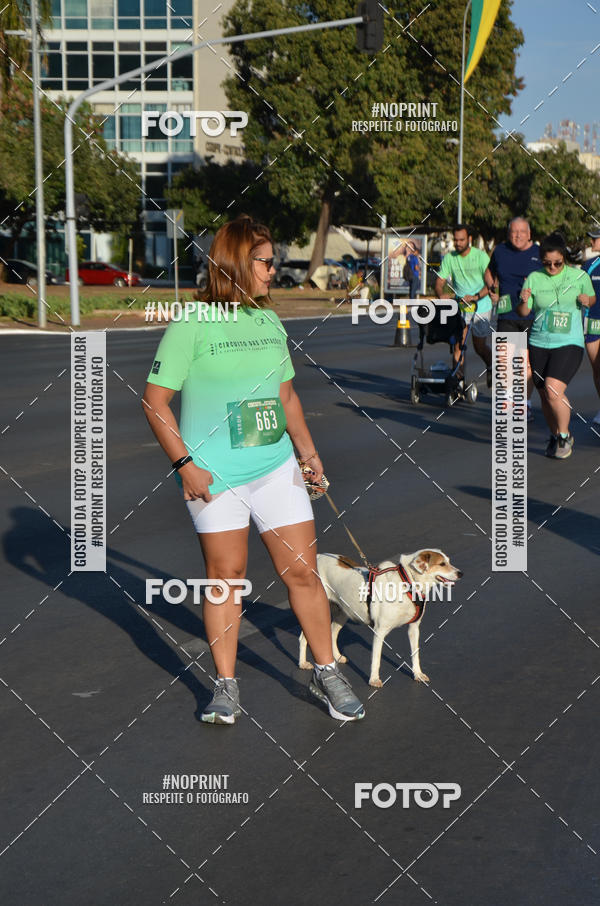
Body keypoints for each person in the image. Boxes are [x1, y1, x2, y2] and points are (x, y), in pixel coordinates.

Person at [142, 215, 365, 724]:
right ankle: (225, 687)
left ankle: (326, 670)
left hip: (274, 468)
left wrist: (308, 455)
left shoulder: (268, 321)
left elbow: (285, 396)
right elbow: (155, 402)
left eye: (274, 262)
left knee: (303, 573)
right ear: (240, 262)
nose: (273, 270)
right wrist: (185, 466)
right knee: (226, 579)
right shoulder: (192, 324)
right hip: (215, 476)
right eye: (267, 262)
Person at [518, 232, 595, 459]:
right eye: (547, 263)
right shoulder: (534, 277)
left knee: (553, 389)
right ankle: (554, 435)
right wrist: (523, 301)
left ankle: (564, 436)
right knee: (544, 395)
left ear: (565, 258)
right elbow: (524, 312)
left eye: (557, 263)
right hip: (539, 341)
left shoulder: (579, 277)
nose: (552, 267)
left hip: (569, 341)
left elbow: (592, 299)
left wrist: (586, 301)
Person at [484, 217, 542, 420]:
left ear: (529, 234)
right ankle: (508, 400)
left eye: (522, 232)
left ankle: (524, 403)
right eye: (514, 232)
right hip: (507, 313)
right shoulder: (500, 250)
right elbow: (488, 272)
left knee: (526, 364)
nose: (518, 235)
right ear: (509, 234)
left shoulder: (538, 254)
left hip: (532, 315)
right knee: (503, 358)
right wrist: (493, 288)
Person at [435, 224, 492, 381]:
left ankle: (492, 366)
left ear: (470, 239)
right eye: (456, 240)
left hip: (481, 306)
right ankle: (458, 382)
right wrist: (441, 294)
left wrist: (476, 296)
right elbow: (439, 282)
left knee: (479, 347)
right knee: (459, 345)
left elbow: (491, 284)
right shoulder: (450, 258)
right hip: (460, 308)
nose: (458, 243)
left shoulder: (481, 257)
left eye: (462, 240)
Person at [582, 227, 600, 425]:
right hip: (592, 320)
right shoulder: (588, 265)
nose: (592, 241)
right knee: (597, 369)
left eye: (596, 238)